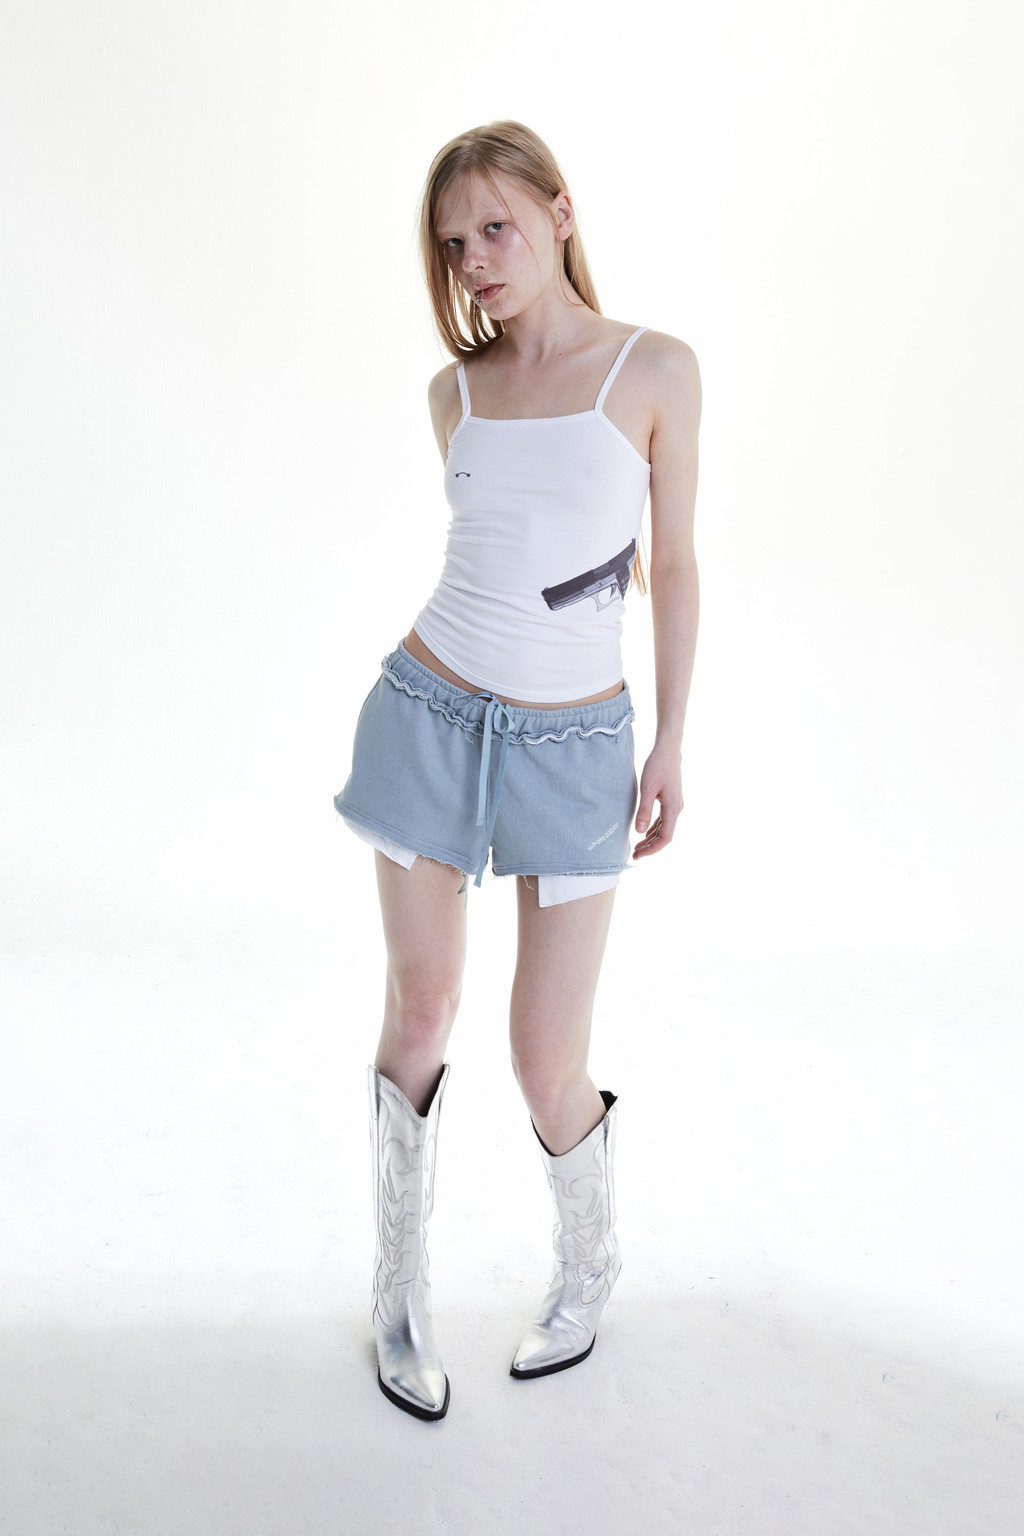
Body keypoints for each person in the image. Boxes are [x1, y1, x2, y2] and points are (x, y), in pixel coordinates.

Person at [333, 120, 701, 1422]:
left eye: (495, 227)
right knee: (422, 1009)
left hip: (576, 748)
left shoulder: (656, 369)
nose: (476, 261)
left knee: (547, 1055)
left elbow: (674, 563)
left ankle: (587, 1268)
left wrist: (669, 738)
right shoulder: (455, 392)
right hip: (427, 717)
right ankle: (398, 1295)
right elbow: (499, 565)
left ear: (558, 210)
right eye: (454, 245)